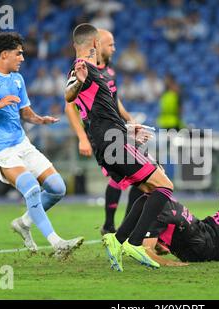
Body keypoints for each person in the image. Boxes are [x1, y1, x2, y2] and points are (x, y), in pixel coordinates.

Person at [0, 32, 83, 258]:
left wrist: (39, 119)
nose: (22, 58)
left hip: (22, 144)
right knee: (33, 189)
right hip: (0, 150)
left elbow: (24, 111)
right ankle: (57, 243)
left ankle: (24, 223)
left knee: (57, 188)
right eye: (19, 54)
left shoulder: (18, 79)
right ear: (4, 54)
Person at [65, 24, 174, 270]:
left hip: (114, 138)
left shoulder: (98, 72)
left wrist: (129, 128)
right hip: (111, 142)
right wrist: (78, 83)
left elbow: (102, 111)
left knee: (149, 189)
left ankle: (117, 239)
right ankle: (134, 242)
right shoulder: (82, 68)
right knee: (165, 186)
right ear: (95, 44)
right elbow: (68, 95)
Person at [65, 28, 144, 235]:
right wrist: (82, 138)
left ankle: (115, 227)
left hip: (116, 130)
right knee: (133, 177)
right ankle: (120, 227)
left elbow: (114, 100)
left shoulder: (109, 71)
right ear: (96, 44)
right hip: (100, 135)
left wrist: (129, 119)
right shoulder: (84, 70)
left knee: (128, 177)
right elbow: (69, 105)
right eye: (110, 44)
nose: (114, 49)